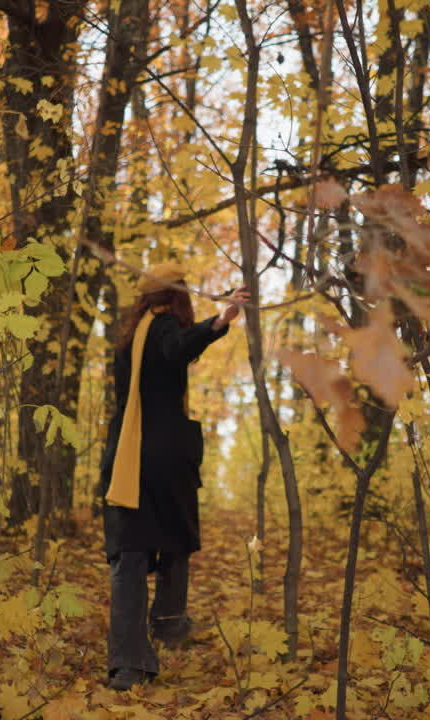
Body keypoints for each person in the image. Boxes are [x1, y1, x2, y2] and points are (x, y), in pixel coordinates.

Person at [96, 262, 248, 691]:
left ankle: (140, 650)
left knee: (133, 555)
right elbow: (178, 347)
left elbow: (174, 354)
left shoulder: (131, 338)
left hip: (128, 459)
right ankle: (159, 632)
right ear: (176, 297)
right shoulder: (162, 330)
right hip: (159, 462)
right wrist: (221, 320)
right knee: (167, 545)